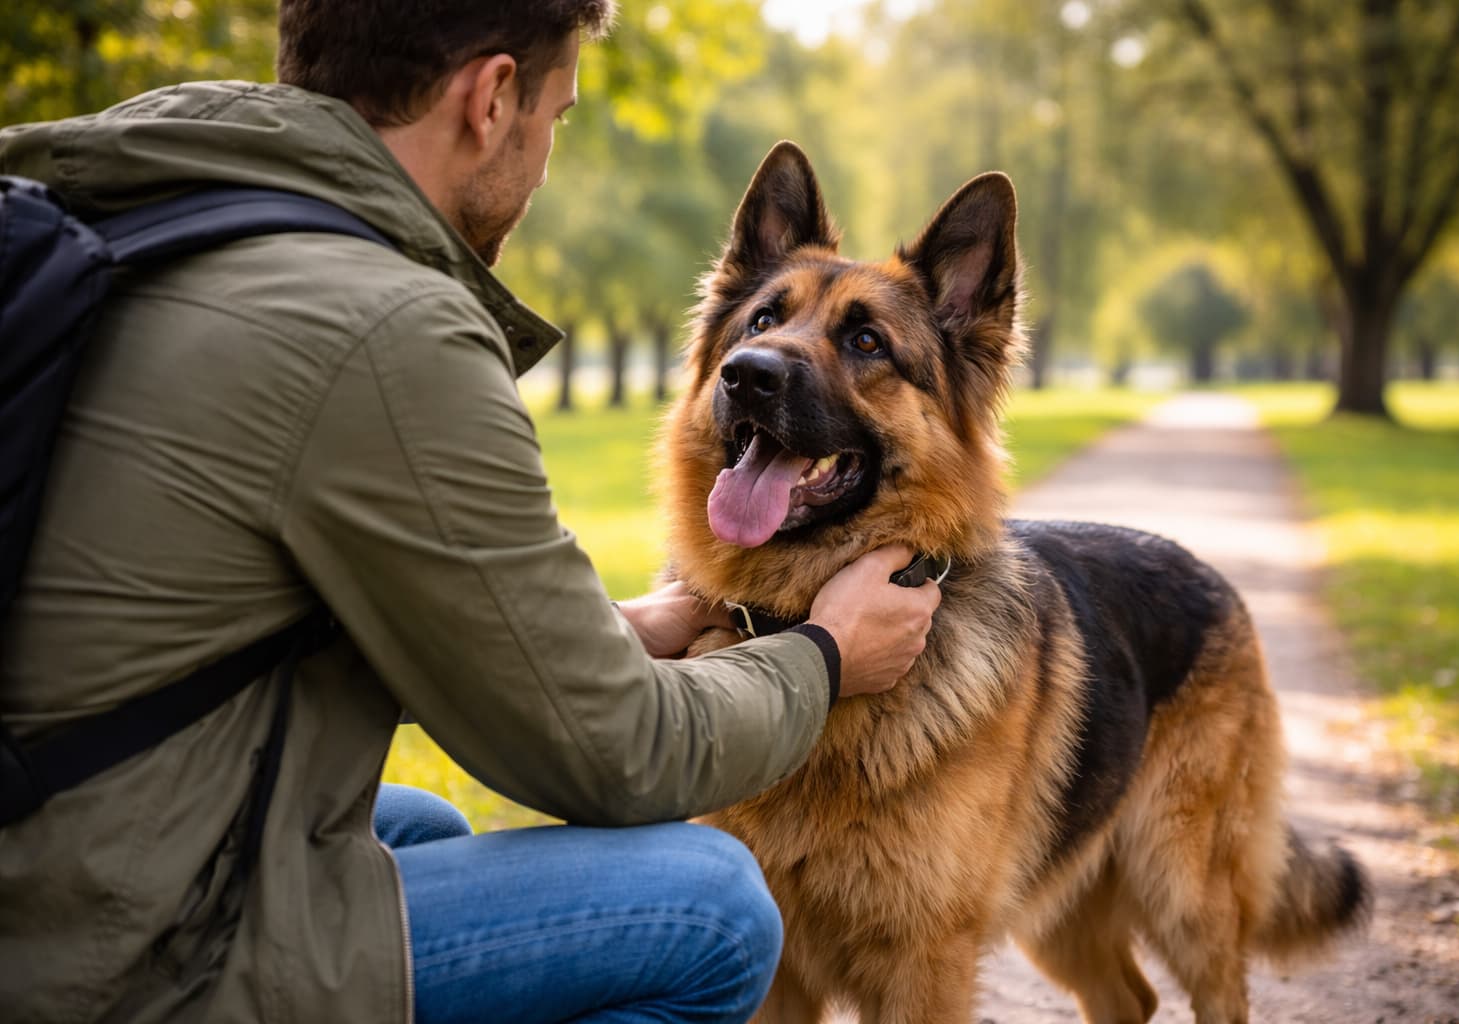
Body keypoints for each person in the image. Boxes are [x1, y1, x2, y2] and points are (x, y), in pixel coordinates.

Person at [0, 2, 941, 1023]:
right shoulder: (383, 324)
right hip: (112, 960)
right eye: (558, 118)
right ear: (492, 101)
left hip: (48, 848)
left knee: (419, 827)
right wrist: (827, 655)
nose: (543, 164)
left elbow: (193, 618)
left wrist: (625, 630)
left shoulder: (161, 207)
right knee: (713, 908)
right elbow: (616, 757)